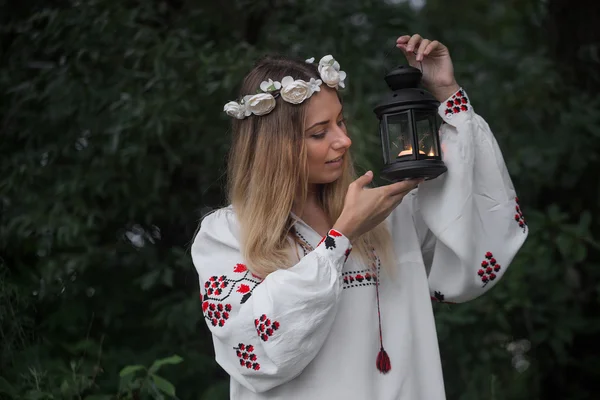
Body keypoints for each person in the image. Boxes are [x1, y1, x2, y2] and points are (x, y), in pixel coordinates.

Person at [191, 33, 528, 400]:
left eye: (341, 122)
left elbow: (478, 228)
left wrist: (446, 91)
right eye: (320, 133)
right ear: (276, 150)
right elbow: (255, 355)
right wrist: (341, 238)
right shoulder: (227, 234)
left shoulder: (388, 216)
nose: (343, 140)